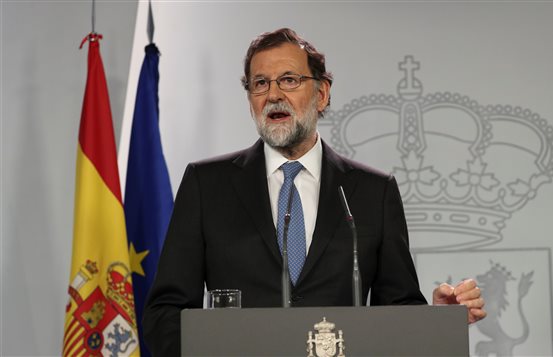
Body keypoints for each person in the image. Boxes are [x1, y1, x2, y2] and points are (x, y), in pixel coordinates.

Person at [143, 27, 486, 356]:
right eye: (260, 83)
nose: (273, 94)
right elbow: (165, 313)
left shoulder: (372, 193)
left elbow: (396, 308)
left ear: (321, 94)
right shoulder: (207, 185)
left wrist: (436, 319)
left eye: (289, 80)